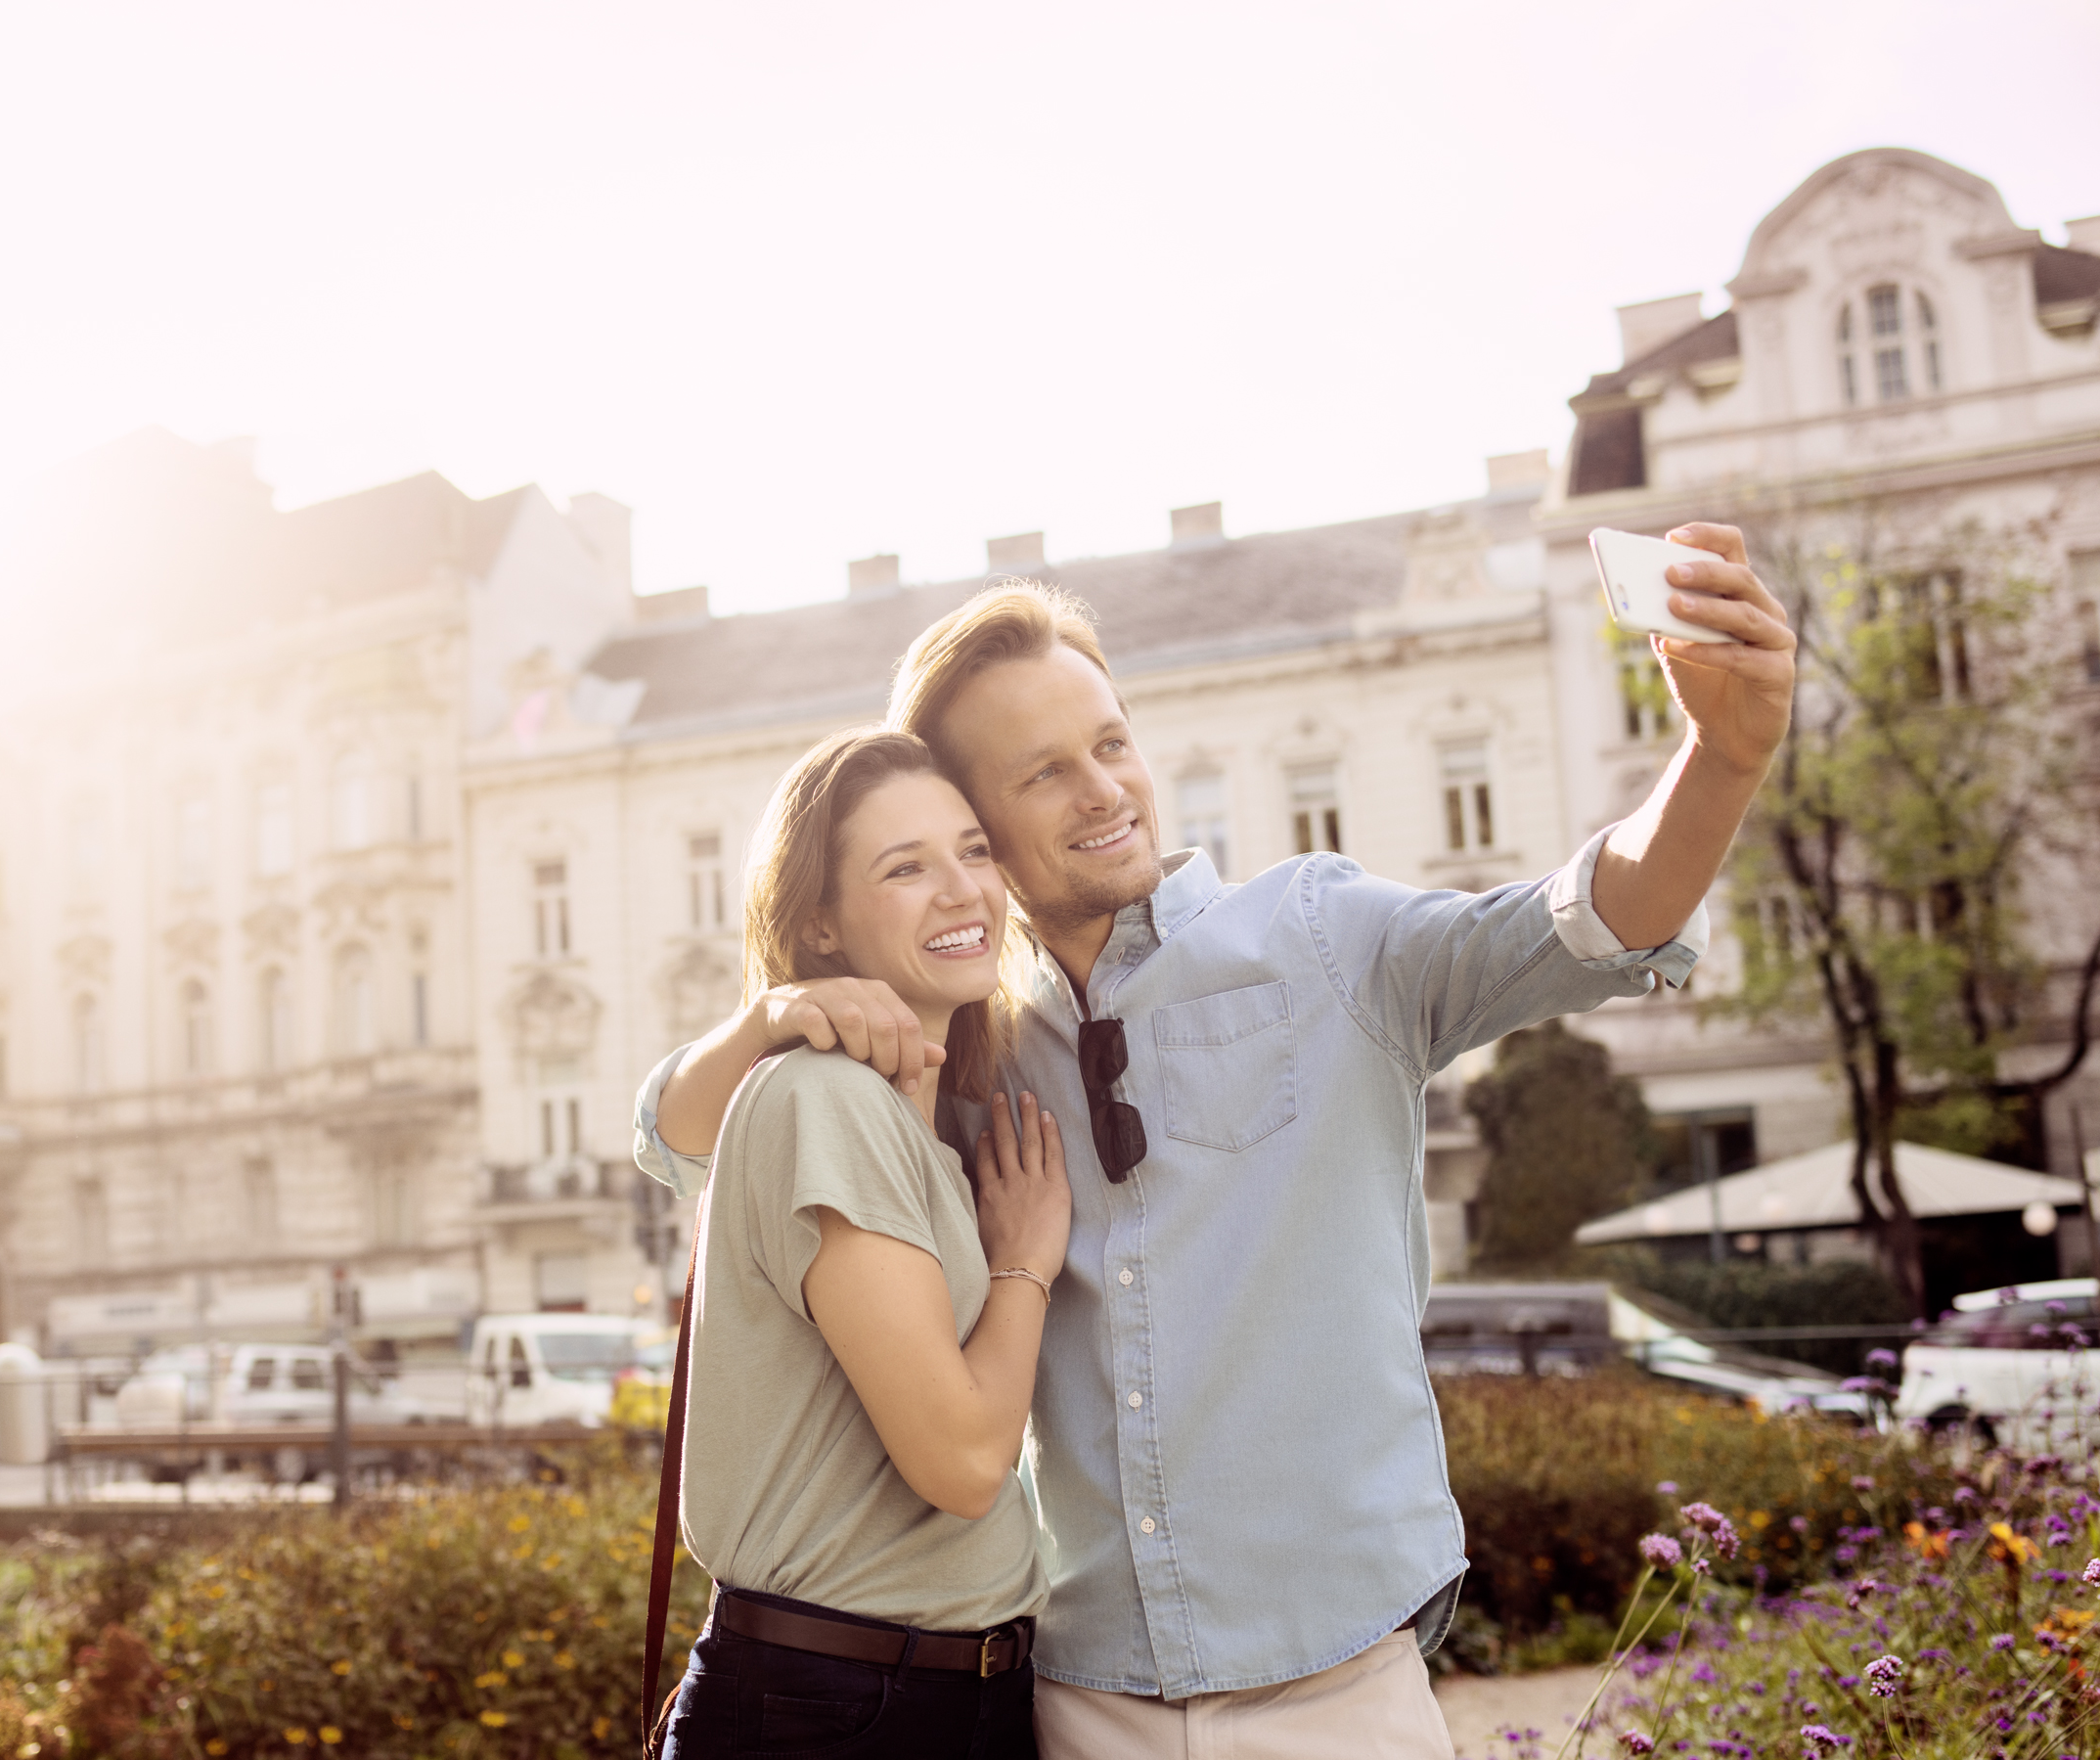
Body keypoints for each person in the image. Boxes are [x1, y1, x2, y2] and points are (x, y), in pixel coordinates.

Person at [639, 525, 1798, 1756]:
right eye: (1040, 776)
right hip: (1075, 1696)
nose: (1102, 790)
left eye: (1112, 743)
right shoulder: (966, 1049)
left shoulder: (1326, 936)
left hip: (1336, 1685)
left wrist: (1719, 758)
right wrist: (768, 1015)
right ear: (976, 824)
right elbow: (682, 1132)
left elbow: (1592, 915)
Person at [656, 726, 1073, 1760]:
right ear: (822, 925)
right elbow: (965, 1459)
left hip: (924, 1690)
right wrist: (1023, 1262)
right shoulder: (825, 1100)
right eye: (905, 867)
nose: (961, 890)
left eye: (974, 851)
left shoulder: (922, 1124)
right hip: (846, 1704)